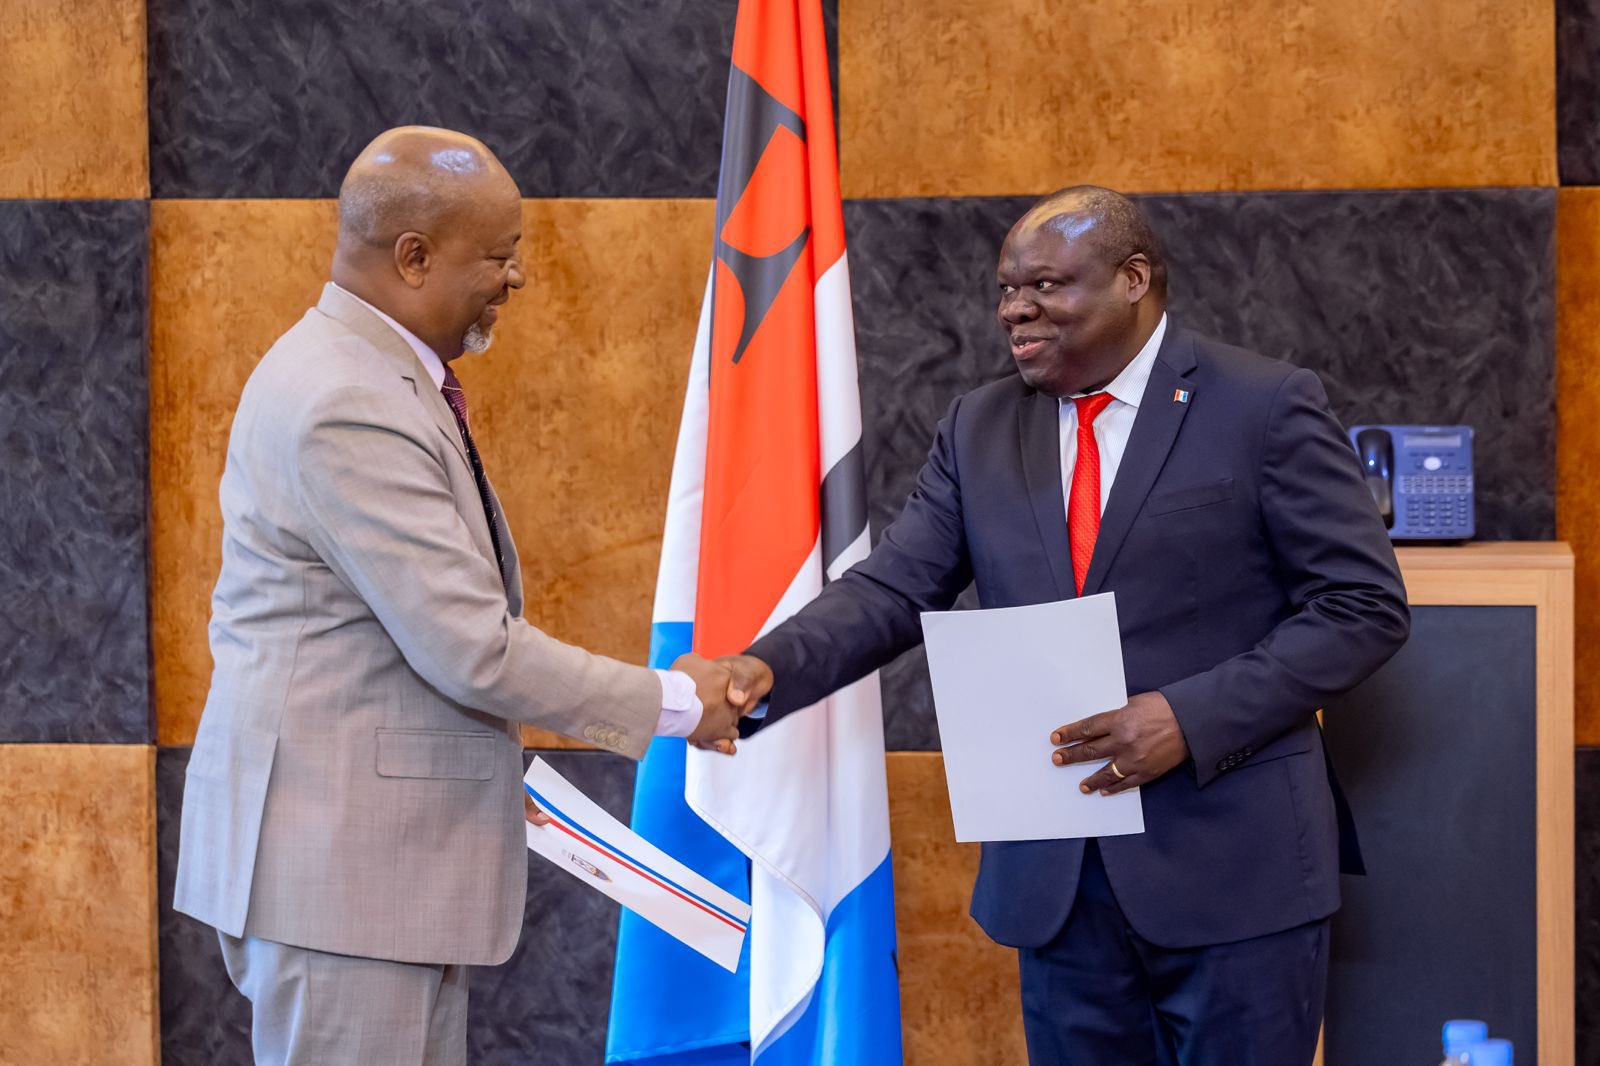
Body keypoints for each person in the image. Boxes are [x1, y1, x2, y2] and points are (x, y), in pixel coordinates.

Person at [719, 186, 1410, 1064]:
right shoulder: (978, 426)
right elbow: (893, 589)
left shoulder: (1263, 404)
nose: (1016, 309)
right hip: (1058, 883)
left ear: (1133, 279)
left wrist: (1188, 717)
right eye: (1008, 289)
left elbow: (1362, 606)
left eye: (1045, 285)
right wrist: (762, 670)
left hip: (1236, 870)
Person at [173, 126, 746, 1066]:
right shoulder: (346, 400)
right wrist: (680, 703)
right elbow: (472, 647)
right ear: (414, 257)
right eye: (499, 255)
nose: (515, 278)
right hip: (344, 883)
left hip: (371, 874)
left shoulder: (368, 373)